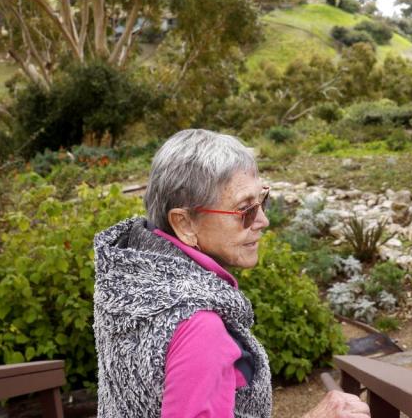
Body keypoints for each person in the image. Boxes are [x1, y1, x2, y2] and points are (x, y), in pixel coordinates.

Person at [94, 129, 370, 418]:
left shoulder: (126, 276)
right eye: (244, 210)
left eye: (262, 201)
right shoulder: (199, 327)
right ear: (185, 223)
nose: (263, 220)